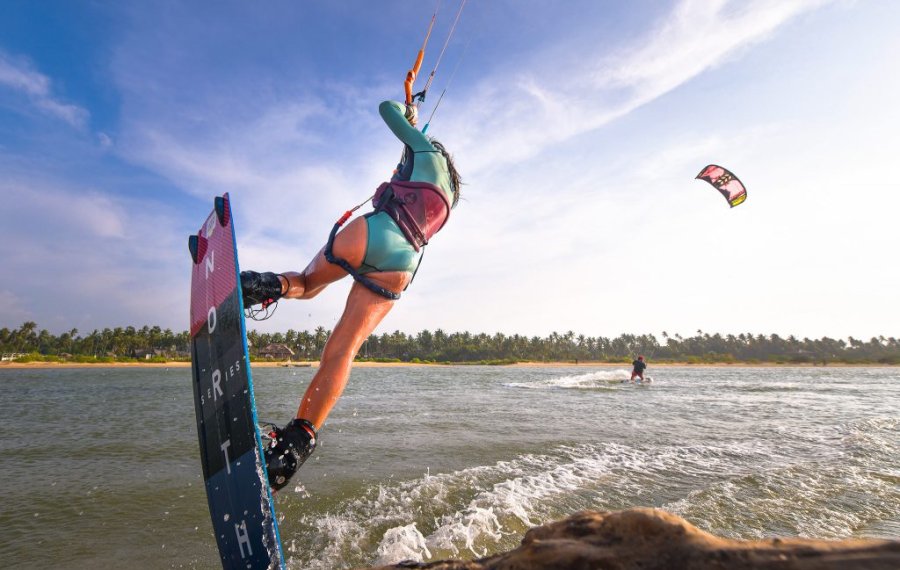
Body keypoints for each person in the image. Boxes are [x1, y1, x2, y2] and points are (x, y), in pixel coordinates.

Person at [240, 99, 461, 491]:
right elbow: (411, 143)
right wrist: (413, 111)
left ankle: (257, 287)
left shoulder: (425, 150)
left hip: (375, 232)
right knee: (345, 349)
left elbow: (386, 111)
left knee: (308, 284)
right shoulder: (447, 202)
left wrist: (404, 105)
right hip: (402, 264)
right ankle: (293, 446)